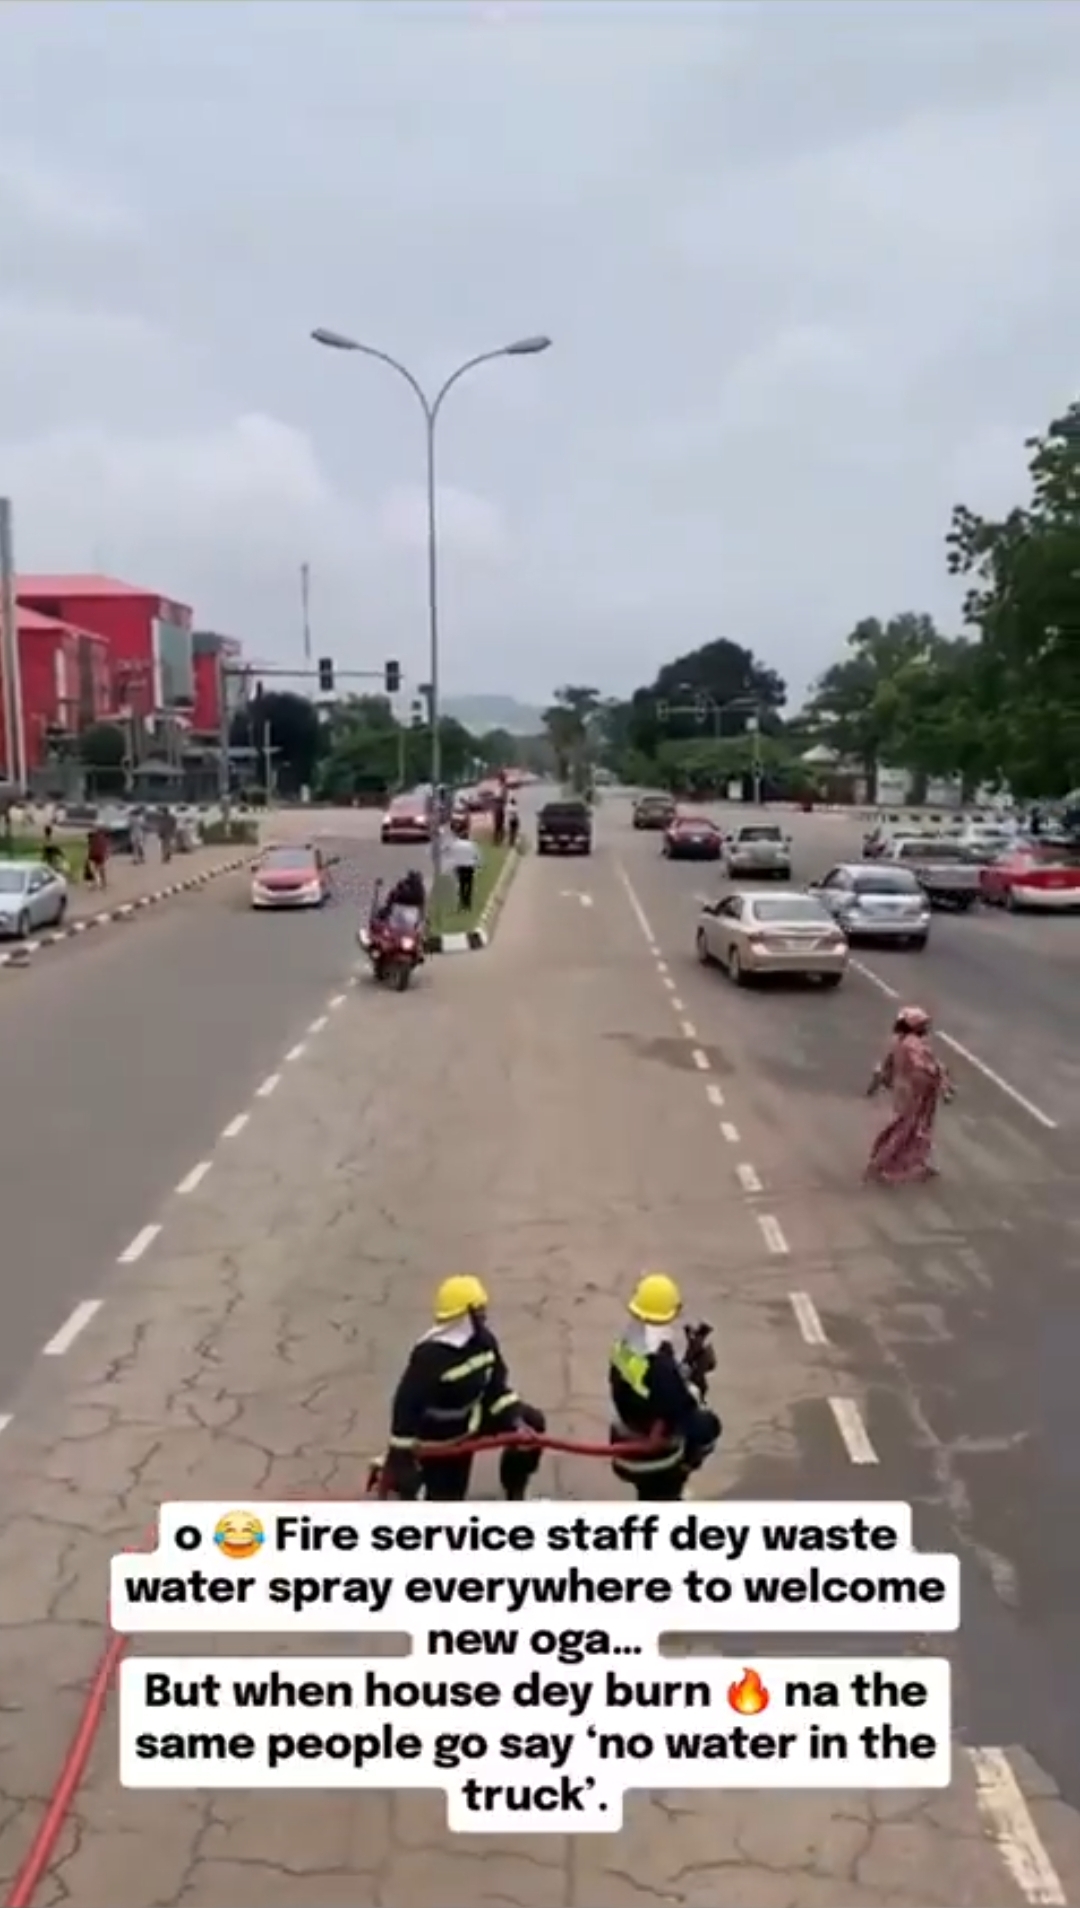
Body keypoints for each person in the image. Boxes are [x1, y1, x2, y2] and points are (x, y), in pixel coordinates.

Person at [381, 1276, 546, 1502]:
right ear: (464, 1315)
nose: (484, 1315)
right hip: (440, 1440)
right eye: (479, 1310)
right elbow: (405, 1409)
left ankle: (515, 1489)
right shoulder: (429, 1358)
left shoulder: (485, 1342)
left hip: (473, 1421)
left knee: (533, 1424)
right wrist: (401, 1458)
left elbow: (496, 1389)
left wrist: (515, 1421)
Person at [608, 1272, 720, 1501]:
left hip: (623, 1439)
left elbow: (651, 1387)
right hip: (651, 1458)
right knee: (708, 1426)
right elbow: (683, 1408)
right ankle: (680, 1474)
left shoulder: (626, 1346)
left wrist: (682, 1371)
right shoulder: (660, 1365)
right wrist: (697, 1379)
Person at [865, 1005, 953, 1185]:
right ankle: (883, 1164)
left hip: (903, 1090)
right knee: (909, 1128)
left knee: (909, 1126)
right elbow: (928, 1068)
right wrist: (944, 1088)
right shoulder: (914, 1046)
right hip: (916, 1093)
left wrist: (875, 1085)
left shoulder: (899, 1042)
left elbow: (883, 1067)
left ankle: (921, 1161)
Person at [448, 831, 481, 912]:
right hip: (469, 867)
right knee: (469, 886)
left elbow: (452, 856)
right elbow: (477, 856)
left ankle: (461, 903)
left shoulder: (455, 844)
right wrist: (478, 865)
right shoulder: (472, 844)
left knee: (461, 885)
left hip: (460, 867)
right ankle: (468, 904)